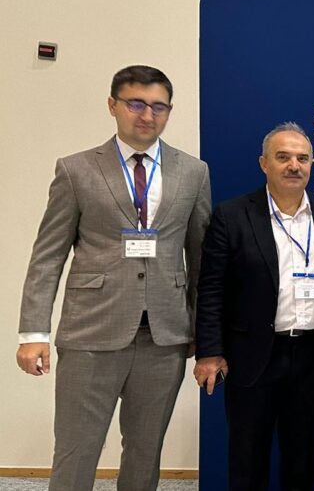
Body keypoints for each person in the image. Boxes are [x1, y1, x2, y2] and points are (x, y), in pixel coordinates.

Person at [15, 65, 211, 490]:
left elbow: (200, 260)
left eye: (159, 107)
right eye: (136, 104)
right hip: (91, 333)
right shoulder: (76, 170)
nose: (148, 115)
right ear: (113, 105)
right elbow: (47, 256)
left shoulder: (193, 172)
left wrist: (203, 331)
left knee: (145, 452)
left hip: (164, 338)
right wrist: (33, 332)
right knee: (76, 450)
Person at [193, 122, 314, 491]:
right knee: (248, 456)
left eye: (303, 158)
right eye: (283, 157)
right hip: (252, 353)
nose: (294, 166)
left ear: (312, 165)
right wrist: (209, 351)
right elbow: (211, 288)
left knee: (301, 456)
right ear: (264, 163)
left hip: (313, 354)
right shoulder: (232, 215)